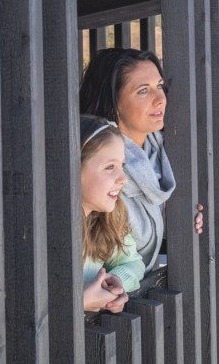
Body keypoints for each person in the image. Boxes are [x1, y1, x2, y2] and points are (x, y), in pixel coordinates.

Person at [80, 48, 203, 274]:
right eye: (143, 91)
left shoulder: (163, 151)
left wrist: (180, 220)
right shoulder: (95, 166)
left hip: (138, 288)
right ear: (112, 101)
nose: (160, 99)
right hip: (108, 298)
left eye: (159, 86)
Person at [80, 114, 145, 312]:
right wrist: (79, 303)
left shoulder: (104, 220)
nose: (123, 179)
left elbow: (133, 262)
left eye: (121, 166)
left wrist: (116, 281)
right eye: (110, 167)